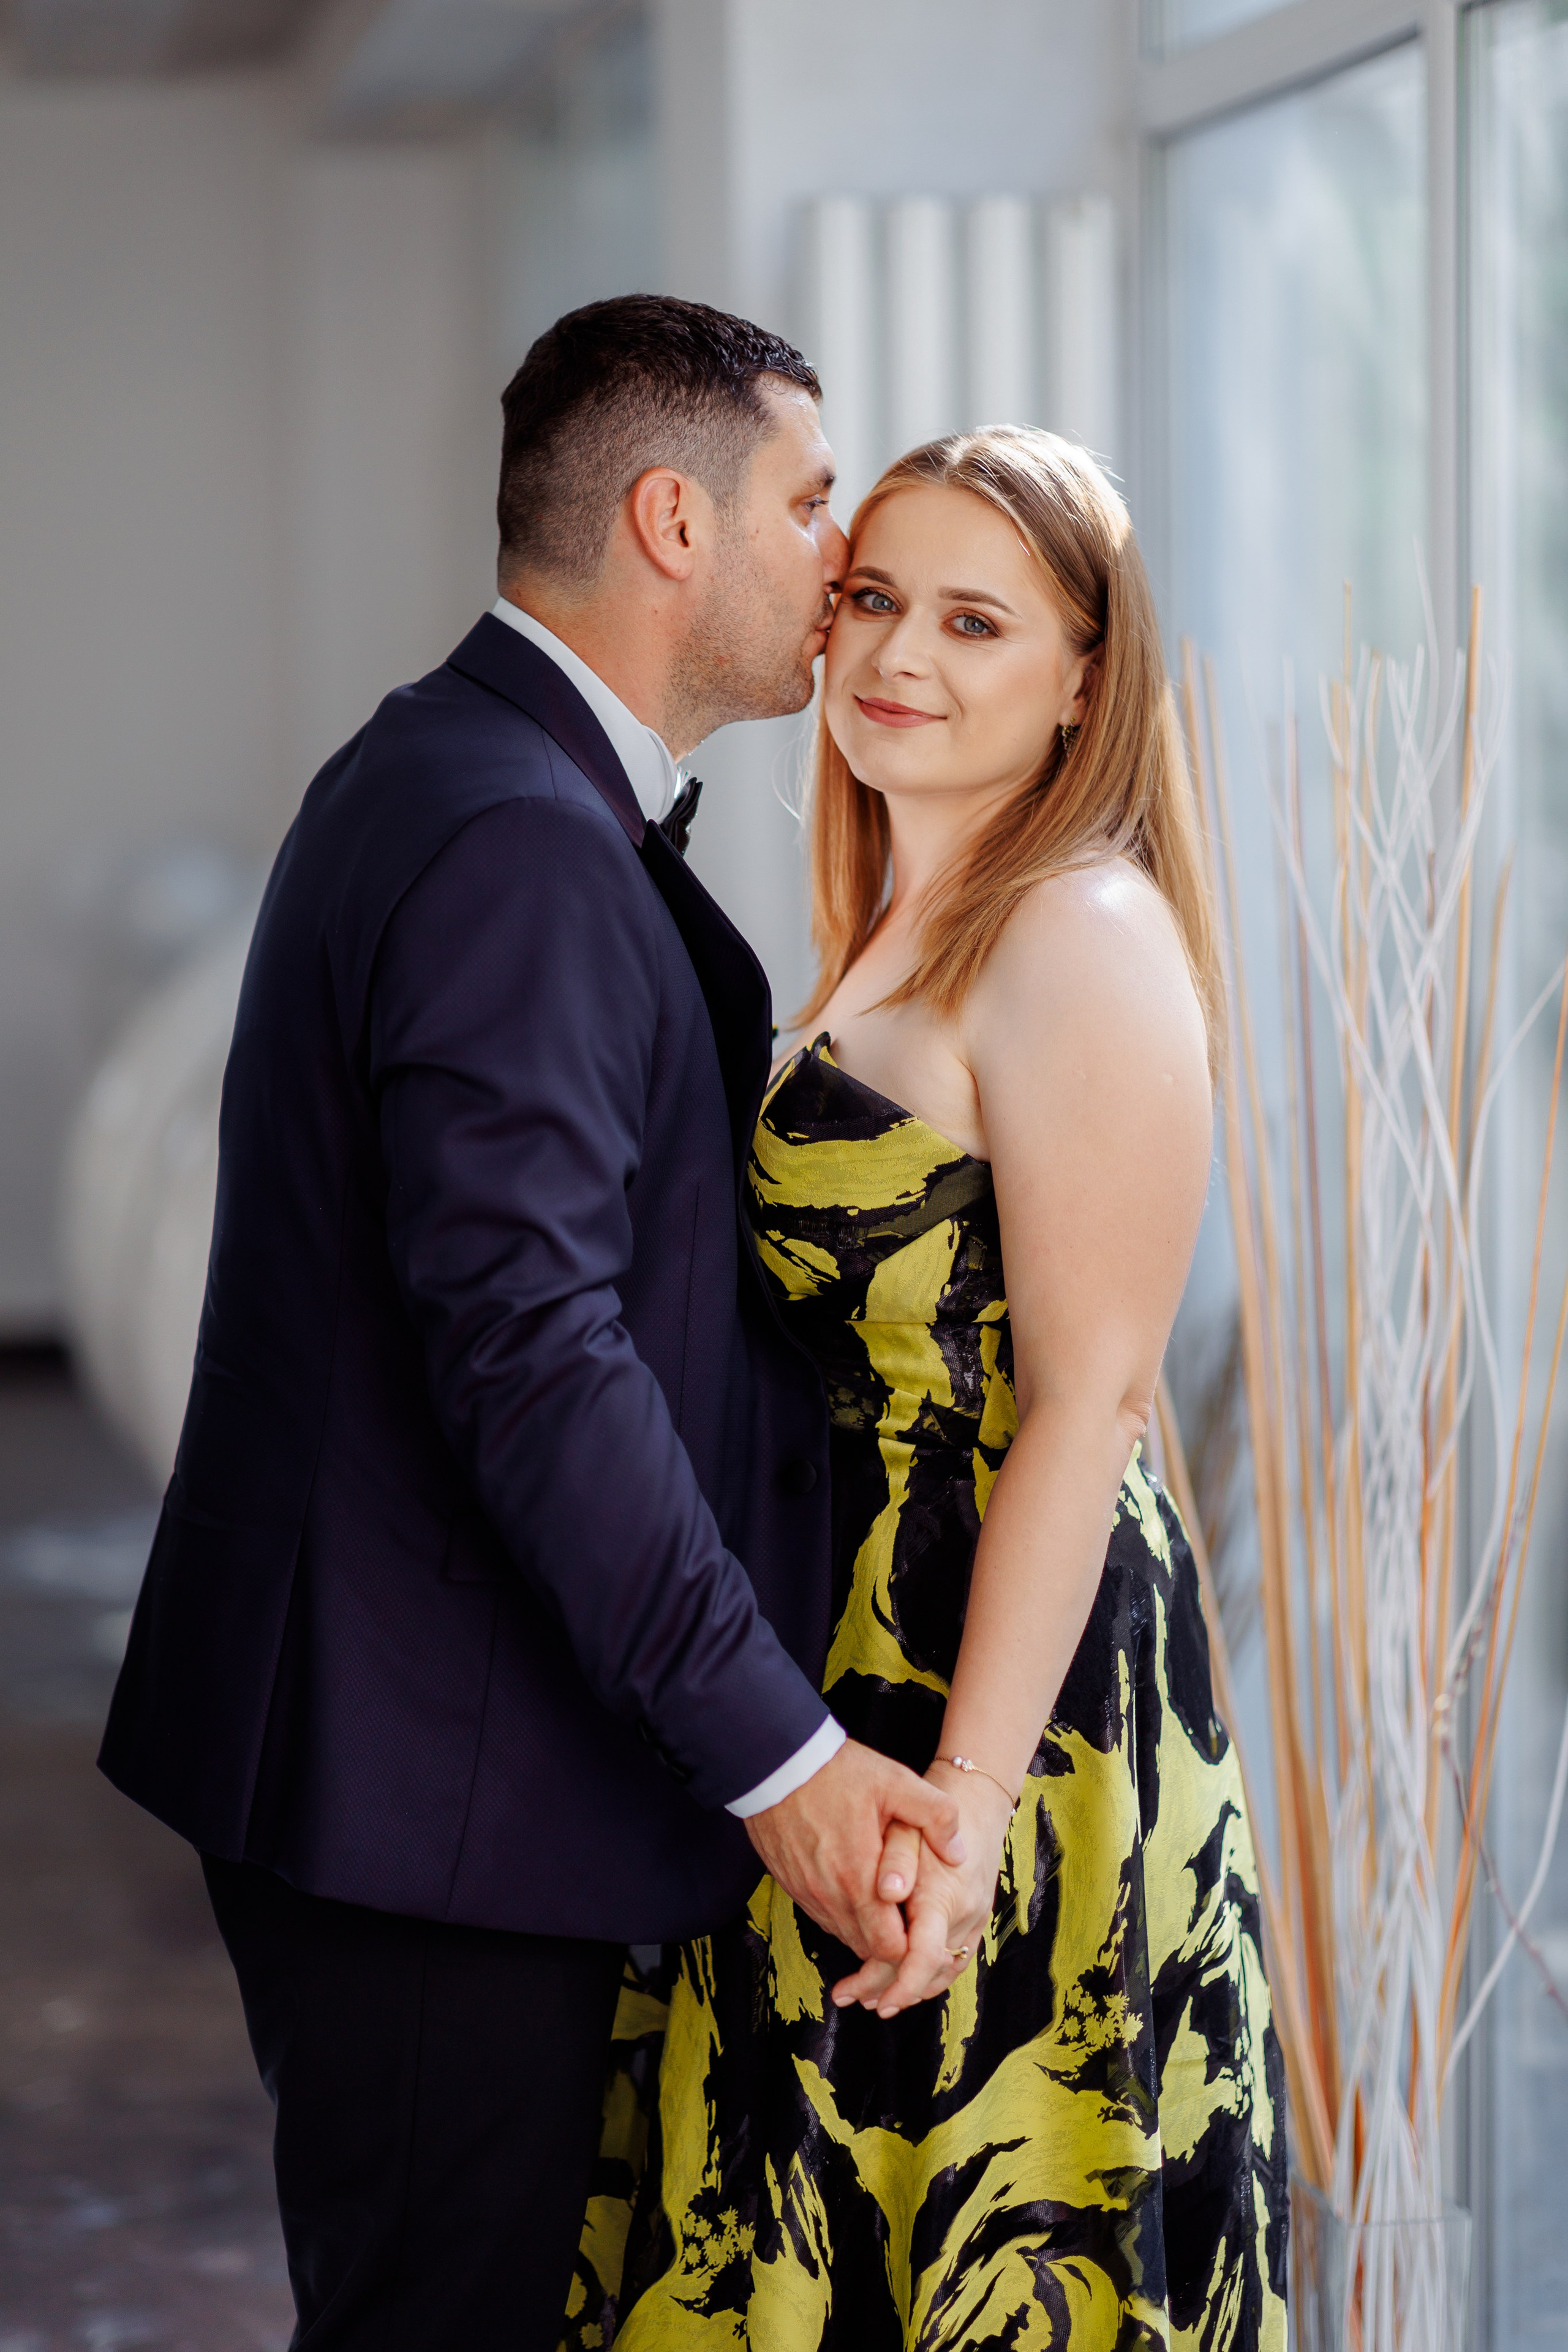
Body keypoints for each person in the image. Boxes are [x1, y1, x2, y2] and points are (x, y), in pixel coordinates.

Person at [96, 295, 966, 2351]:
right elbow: (533, 1348)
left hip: (417, 1753)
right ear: (675, 520)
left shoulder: (460, 768)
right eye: (808, 501)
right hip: (426, 1785)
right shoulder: (515, 836)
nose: (836, 560)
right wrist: (781, 1757)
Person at [571, 429, 1289, 2348]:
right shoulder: (889, 922)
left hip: (1008, 1697)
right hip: (847, 1660)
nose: (899, 653)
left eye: (977, 620)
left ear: (1083, 680)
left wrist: (970, 1806)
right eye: (876, 597)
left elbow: (1092, 1403)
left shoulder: (1081, 932)